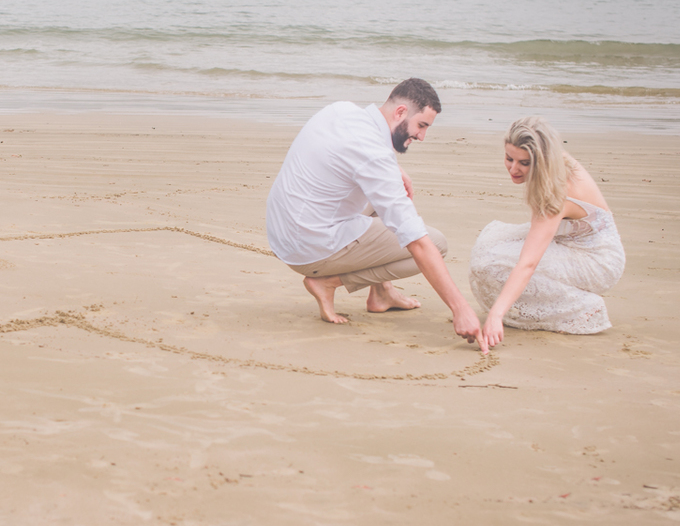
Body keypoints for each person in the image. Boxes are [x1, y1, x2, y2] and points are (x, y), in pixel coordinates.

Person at [266, 78, 485, 351]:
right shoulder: (374, 156)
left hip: (283, 228)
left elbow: (359, 153)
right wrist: (461, 309)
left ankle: (382, 294)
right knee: (436, 243)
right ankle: (328, 282)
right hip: (308, 246)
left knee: (386, 199)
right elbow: (416, 240)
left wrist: (395, 170)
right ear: (401, 112)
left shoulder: (341, 110)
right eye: (422, 125)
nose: (422, 136)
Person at [469, 116, 625, 346]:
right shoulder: (553, 159)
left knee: (490, 264)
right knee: (487, 245)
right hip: (569, 238)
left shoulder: (553, 190)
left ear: (541, 160)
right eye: (509, 158)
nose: (514, 168)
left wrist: (496, 315)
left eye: (524, 162)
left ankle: (583, 308)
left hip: (598, 261)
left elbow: (528, 264)